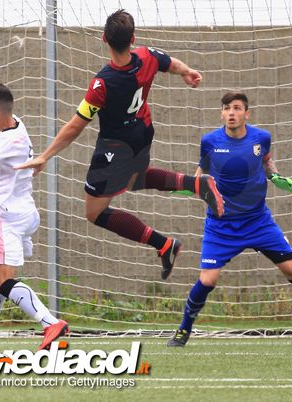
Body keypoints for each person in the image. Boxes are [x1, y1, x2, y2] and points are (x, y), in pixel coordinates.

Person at [16, 10, 224, 280]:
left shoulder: (102, 83)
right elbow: (169, 62)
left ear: (104, 39)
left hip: (116, 147)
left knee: (94, 211)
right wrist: (187, 72)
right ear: (133, 38)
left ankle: (162, 243)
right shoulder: (146, 55)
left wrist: (45, 155)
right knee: (136, 178)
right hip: (143, 132)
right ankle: (196, 185)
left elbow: (76, 125)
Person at [167, 91, 292, 347]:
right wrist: (184, 184)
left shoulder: (262, 138)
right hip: (221, 224)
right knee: (207, 280)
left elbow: (267, 164)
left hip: (259, 221)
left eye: (237, 108)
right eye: (227, 108)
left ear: (246, 113)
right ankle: (184, 330)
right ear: (222, 113)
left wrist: (277, 177)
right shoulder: (209, 141)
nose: (231, 112)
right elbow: (200, 173)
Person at [0, 83, 68, 351]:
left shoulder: (6, 140)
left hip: (8, 217)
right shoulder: (17, 127)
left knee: (1, 280)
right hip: (25, 212)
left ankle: (50, 322)